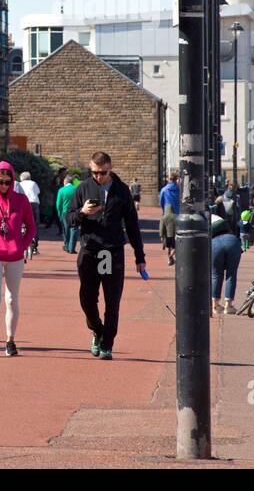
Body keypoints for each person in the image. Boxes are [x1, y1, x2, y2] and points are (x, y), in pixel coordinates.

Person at [62, 151, 147, 360]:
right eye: (94, 172)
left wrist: (139, 256)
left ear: (110, 168)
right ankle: (98, 331)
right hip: (90, 250)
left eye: (102, 172)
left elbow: (133, 225)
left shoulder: (121, 191)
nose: (98, 177)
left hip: (112, 251)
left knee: (112, 300)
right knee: (87, 299)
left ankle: (107, 344)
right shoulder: (83, 188)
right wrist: (83, 212)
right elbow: (68, 218)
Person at [0, 161, 36, 356]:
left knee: (11, 299)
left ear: (12, 181)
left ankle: (10, 340)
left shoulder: (22, 201)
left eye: (7, 181)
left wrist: (23, 245)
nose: (3, 185)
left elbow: (31, 227)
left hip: (15, 255)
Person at [209, 196, 243, 315]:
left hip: (214, 244)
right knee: (231, 274)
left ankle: (215, 305)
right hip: (231, 240)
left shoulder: (201, 220)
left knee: (216, 274)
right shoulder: (217, 217)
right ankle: (228, 306)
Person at [16, 171, 41, 256]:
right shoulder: (33, 183)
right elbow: (38, 192)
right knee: (35, 224)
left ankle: (23, 240)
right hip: (34, 203)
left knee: (22, 223)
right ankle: (35, 244)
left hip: (24, 203)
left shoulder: (20, 184)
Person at [159, 171, 180, 266]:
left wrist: (164, 210)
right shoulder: (179, 189)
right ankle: (174, 254)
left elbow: (161, 202)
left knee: (168, 235)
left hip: (167, 212)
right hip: (178, 214)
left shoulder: (164, 189)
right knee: (178, 236)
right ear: (176, 179)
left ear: (169, 179)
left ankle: (170, 255)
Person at [58, 172, 80, 252]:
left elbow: (58, 203)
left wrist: (59, 213)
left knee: (66, 230)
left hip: (65, 212)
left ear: (65, 182)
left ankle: (67, 246)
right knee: (74, 229)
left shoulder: (61, 190)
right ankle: (72, 248)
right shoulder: (76, 189)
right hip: (75, 212)